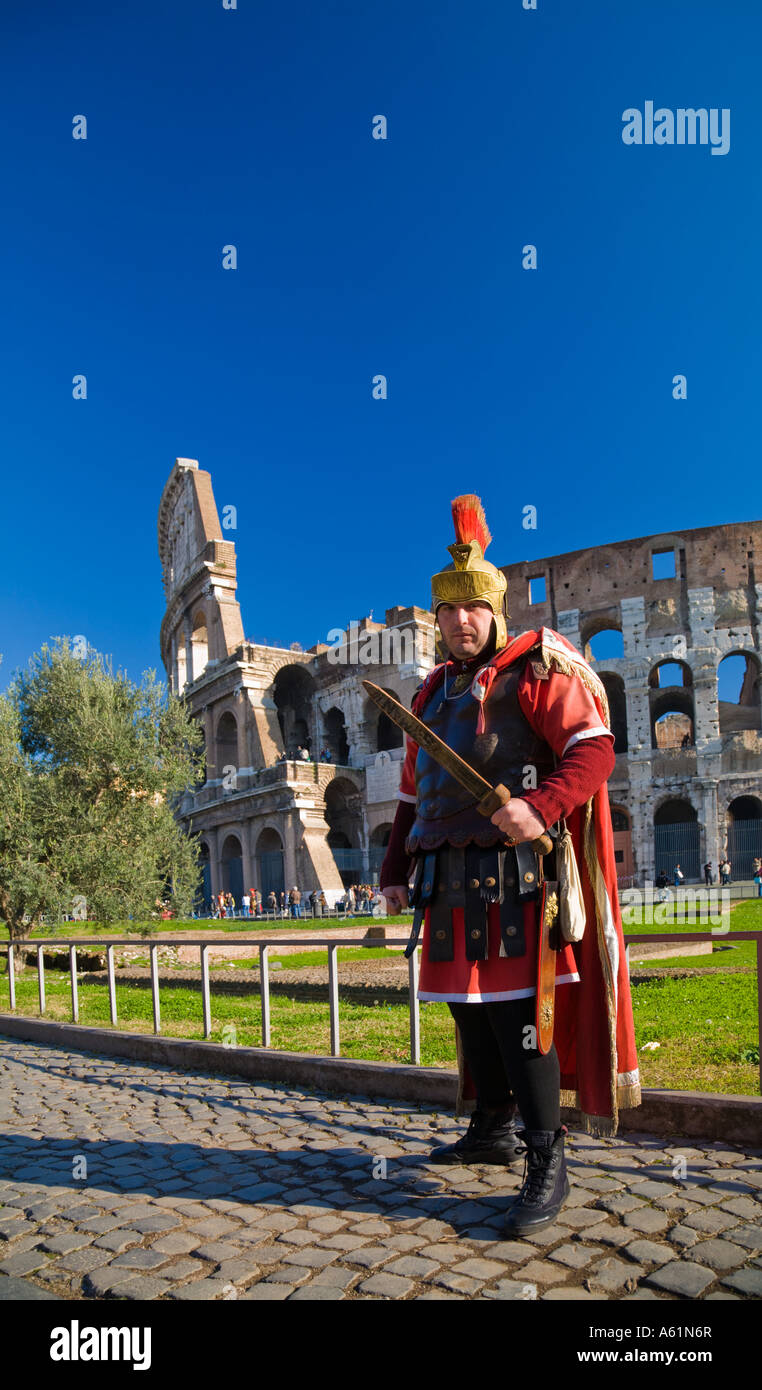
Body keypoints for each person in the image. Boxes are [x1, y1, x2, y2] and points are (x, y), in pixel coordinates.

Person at [380, 494, 639, 1235]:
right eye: (449, 610)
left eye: (473, 608)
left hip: (517, 881)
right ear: (437, 620)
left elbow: (595, 749)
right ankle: (492, 1127)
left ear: (495, 612)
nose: (461, 620)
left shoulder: (538, 669)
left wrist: (543, 805)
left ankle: (546, 1158)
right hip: (443, 880)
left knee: (524, 1020)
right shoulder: (427, 698)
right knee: (468, 1012)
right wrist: (395, 869)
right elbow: (409, 798)